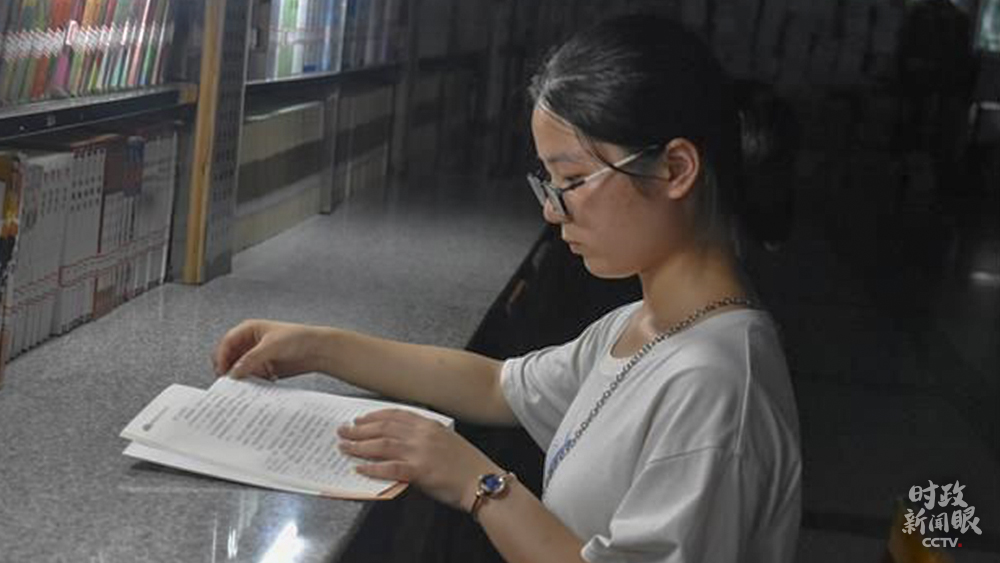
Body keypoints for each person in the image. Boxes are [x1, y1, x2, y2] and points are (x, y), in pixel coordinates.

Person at [213, 14, 801, 563]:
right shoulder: (644, 325)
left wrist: (477, 482)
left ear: (675, 170)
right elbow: (497, 385)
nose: (552, 209)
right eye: (549, 181)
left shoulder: (718, 385)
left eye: (573, 179)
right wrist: (318, 347)